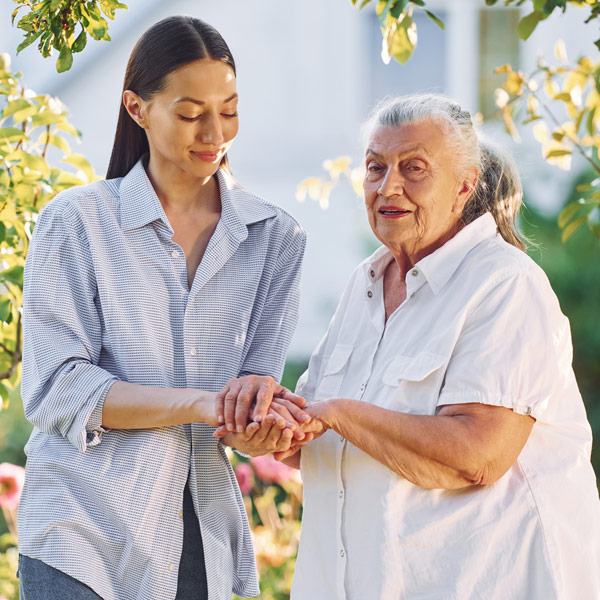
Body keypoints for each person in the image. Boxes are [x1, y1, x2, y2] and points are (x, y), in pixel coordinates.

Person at [218, 93, 600, 599]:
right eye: (375, 168)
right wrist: (273, 428)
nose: (387, 185)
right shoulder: (365, 282)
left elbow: (477, 456)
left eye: (413, 168)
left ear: (464, 186)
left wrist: (337, 413)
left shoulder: (505, 284)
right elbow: (322, 440)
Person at [17, 15, 309, 600]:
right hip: (79, 533)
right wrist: (201, 404)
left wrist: (262, 423)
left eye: (228, 110)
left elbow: (250, 397)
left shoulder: (276, 238)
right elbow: (57, 389)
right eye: (190, 113)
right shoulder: (75, 224)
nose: (214, 133)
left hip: (200, 537)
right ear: (136, 108)